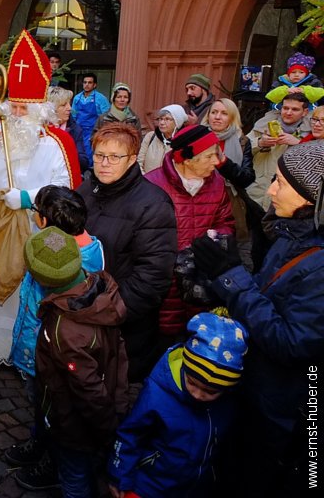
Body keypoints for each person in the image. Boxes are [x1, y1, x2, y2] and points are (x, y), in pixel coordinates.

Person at [192, 142, 324, 496]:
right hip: (256, 390)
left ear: (313, 198)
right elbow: (268, 297)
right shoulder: (291, 230)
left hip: (282, 410)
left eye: (281, 183)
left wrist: (231, 276)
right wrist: (222, 275)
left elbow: (291, 344)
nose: (270, 189)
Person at [0, 29, 82, 370]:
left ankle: (21, 350)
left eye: (25, 107)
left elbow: (63, 188)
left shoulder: (56, 143)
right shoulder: (2, 131)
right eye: (15, 106)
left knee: (25, 288)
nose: (18, 113)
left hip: (33, 227)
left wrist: (27, 197)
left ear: (40, 108)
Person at [6, 186, 105, 492]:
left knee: (52, 409)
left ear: (47, 223)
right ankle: (39, 442)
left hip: (48, 353)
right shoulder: (91, 245)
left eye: (37, 212)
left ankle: (52, 460)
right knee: (42, 407)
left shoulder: (61, 262)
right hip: (42, 348)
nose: (34, 217)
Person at [27, 226, 128, 498]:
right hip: (104, 408)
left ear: (40, 277)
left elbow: (88, 389)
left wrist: (108, 430)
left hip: (75, 426)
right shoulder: (100, 287)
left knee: (75, 481)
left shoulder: (65, 330)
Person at [108, 312, 249, 498]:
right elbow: (130, 435)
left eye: (210, 391)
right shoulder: (157, 394)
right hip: (149, 486)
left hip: (194, 487)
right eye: (192, 383)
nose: (198, 395)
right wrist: (119, 476)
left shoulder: (229, 403)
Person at [77, 123, 177, 384]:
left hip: (121, 327)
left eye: (114, 157)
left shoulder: (153, 204)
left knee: (109, 398)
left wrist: (106, 309)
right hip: (80, 315)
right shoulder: (86, 190)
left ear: (133, 159)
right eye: (99, 155)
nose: (104, 164)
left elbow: (153, 277)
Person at [144, 125, 235, 348]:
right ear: (187, 158)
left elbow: (226, 223)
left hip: (201, 284)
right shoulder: (151, 184)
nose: (217, 161)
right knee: (160, 346)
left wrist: (213, 242)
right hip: (163, 286)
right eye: (210, 155)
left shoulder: (218, 184)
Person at [201, 98, 259, 249]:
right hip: (199, 199)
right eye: (214, 112)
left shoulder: (242, 141)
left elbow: (247, 178)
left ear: (232, 118)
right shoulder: (196, 137)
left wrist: (223, 162)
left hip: (228, 201)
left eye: (224, 113)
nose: (217, 117)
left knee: (227, 247)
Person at [246, 93, 312, 210]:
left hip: (287, 198)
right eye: (285, 108)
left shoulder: (311, 132)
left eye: (295, 109)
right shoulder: (262, 125)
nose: (288, 112)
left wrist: (298, 143)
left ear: (305, 112)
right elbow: (240, 150)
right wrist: (260, 143)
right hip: (256, 190)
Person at [48, 86, 90, 172]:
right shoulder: (39, 129)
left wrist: (67, 149)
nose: (69, 108)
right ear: (51, 108)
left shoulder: (75, 129)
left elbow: (84, 162)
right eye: (64, 105)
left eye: (69, 104)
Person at [137, 104, 188, 174]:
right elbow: (139, 162)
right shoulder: (150, 136)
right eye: (160, 119)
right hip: (146, 181)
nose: (161, 123)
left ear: (177, 123)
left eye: (167, 119)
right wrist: (145, 179)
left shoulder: (184, 142)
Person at [72, 72, 110, 158]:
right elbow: (73, 116)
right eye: (85, 82)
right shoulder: (77, 98)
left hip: (93, 132)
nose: (87, 85)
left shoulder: (101, 98)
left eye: (90, 82)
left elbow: (107, 117)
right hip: (79, 131)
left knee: (90, 154)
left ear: (94, 85)